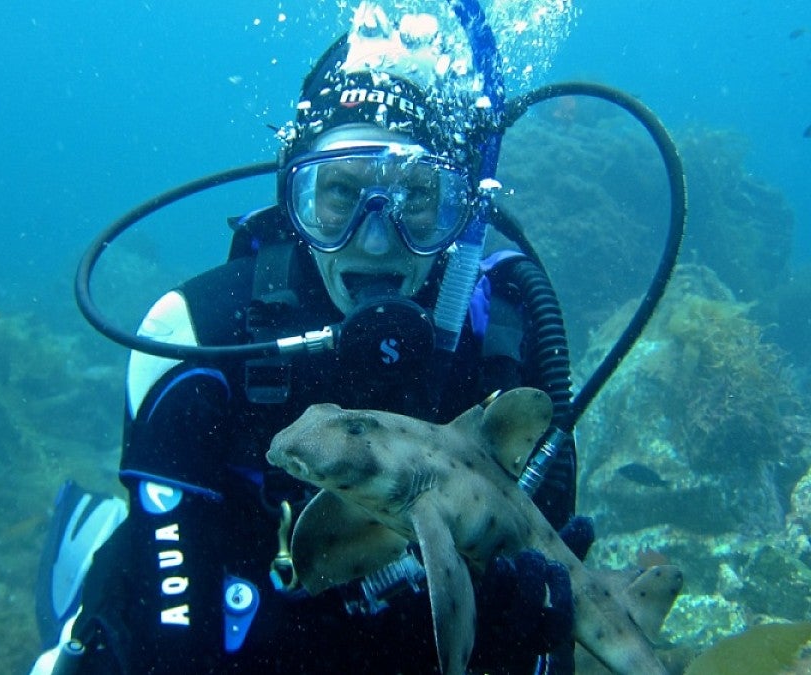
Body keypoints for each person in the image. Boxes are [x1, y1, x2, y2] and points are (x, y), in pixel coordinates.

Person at [32, 9, 587, 674]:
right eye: (340, 194)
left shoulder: (504, 334)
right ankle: (86, 544)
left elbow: (549, 566)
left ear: (461, 207)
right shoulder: (197, 335)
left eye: (416, 197)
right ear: (293, 200)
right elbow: (172, 642)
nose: (377, 239)